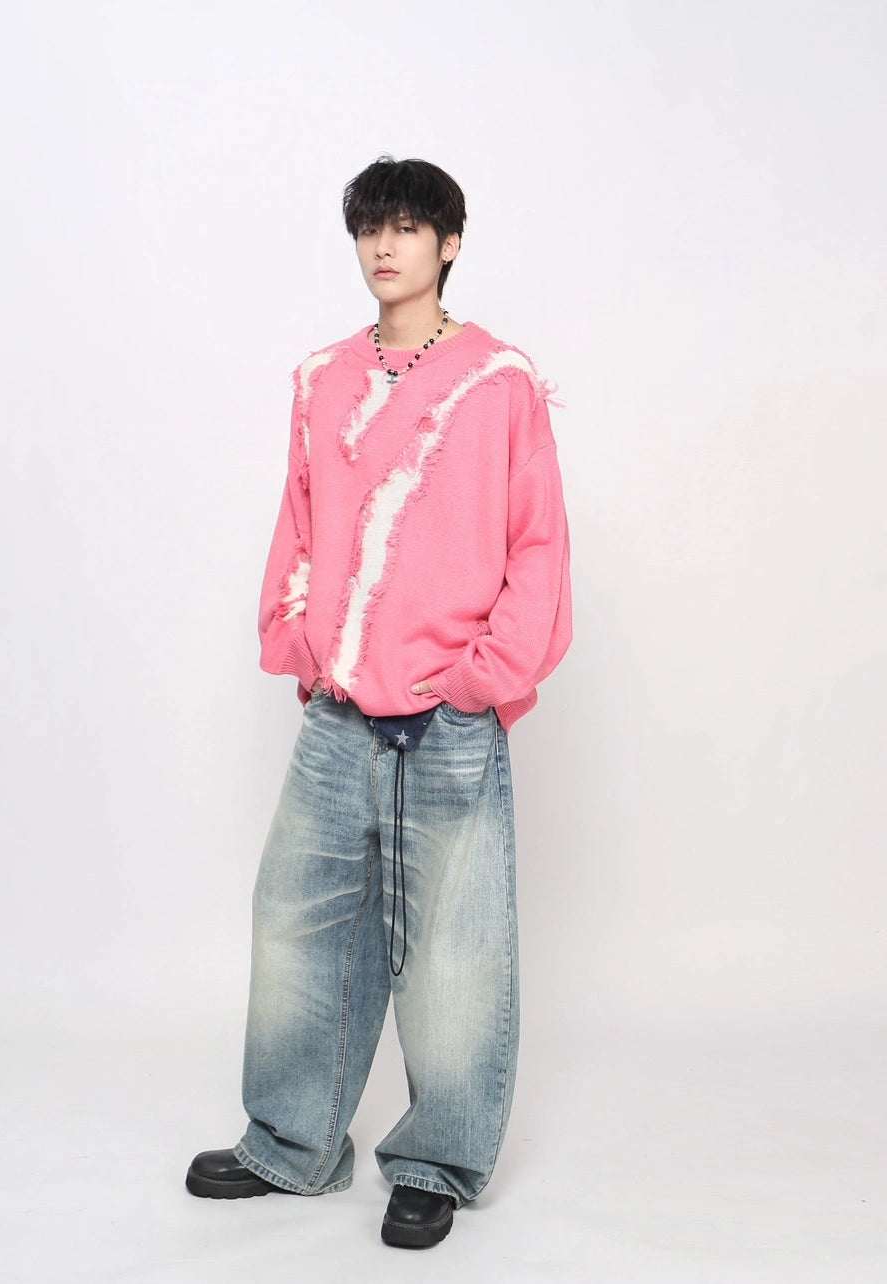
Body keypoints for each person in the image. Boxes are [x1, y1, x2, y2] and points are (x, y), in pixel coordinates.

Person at [185, 156, 572, 1249]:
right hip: (339, 711)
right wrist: (304, 647)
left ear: (450, 243)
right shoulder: (323, 377)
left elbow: (537, 543)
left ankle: (437, 1161)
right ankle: (291, 1144)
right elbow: (300, 522)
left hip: (448, 719)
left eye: (408, 227)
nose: (385, 247)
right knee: (298, 926)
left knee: (453, 950)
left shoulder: (499, 382)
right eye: (370, 229)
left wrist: (482, 678)